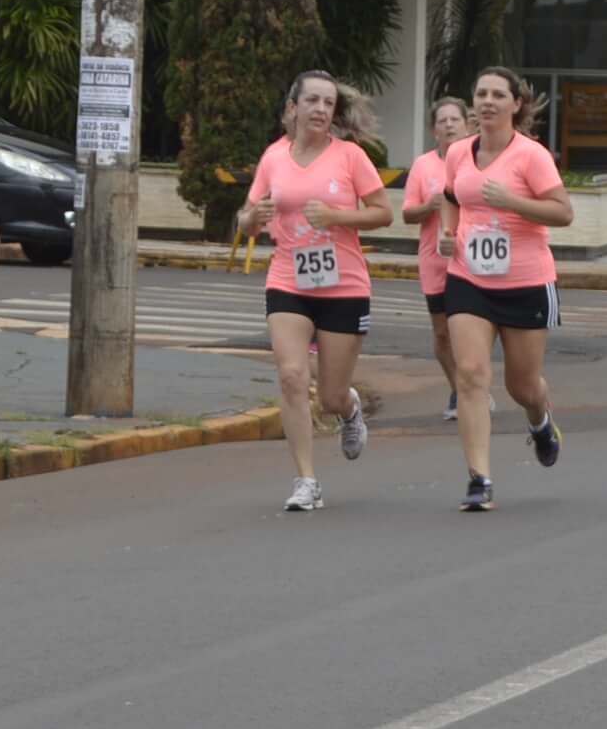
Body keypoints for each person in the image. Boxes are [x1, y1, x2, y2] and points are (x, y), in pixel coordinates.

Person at [239, 71, 393, 512]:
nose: (322, 109)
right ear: (293, 108)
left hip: (344, 284)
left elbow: (383, 213)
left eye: (329, 103)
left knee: (329, 395)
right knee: (291, 377)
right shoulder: (274, 158)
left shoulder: (350, 157)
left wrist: (337, 217)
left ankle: (348, 410)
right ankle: (306, 480)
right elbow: (247, 216)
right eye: (313, 101)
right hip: (288, 278)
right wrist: (249, 220)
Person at [438, 67, 573, 512]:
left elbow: (562, 212)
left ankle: (540, 421)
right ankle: (480, 478)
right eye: (481, 94)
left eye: (498, 94)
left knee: (523, 385)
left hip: (526, 282)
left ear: (516, 104)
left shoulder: (531, 156)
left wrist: (512, 202)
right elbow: (451, 195)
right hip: (468, 277)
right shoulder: (459, 152)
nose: (488, 102)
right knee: (472, 374)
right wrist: (448, 231)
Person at [402, 96, 472, 420]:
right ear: (434, 130)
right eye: (442, 121)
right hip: (434, 260)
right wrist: (428, 205)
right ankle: (459, 388)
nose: (449, 126)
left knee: (469, 329)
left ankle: (474, 387)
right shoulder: (423, 165)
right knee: (442, 332)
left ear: (467, 125)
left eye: (454, 120)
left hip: (471, 259)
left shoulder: (476, 160)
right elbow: (407, 214)